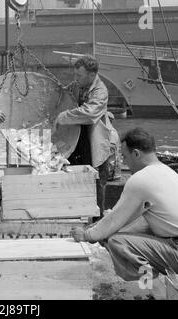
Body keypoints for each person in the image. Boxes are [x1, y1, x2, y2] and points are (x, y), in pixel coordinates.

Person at [71, 128, 178, 281]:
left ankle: (146, 289)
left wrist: (86, 234)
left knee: (118, 242)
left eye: (124, 156)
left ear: (136, 153)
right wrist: (101, 230)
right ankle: (152, 283)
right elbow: (131, 222)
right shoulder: (167, 173)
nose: (124, 162)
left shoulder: (141, 179)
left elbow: (113, 221)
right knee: (129, 230)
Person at [54, 55, 120, 217]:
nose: (76, 78)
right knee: (77, 177)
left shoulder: (100, 91)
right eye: (75, 75)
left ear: (92, 75)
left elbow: (90, 113)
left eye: (79, 75)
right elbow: (65, 95)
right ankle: (78, 215)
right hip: (78, 140)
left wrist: (63, 116)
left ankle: (97, 220)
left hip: (96, 141)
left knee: (97, 182)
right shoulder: (78, 85)